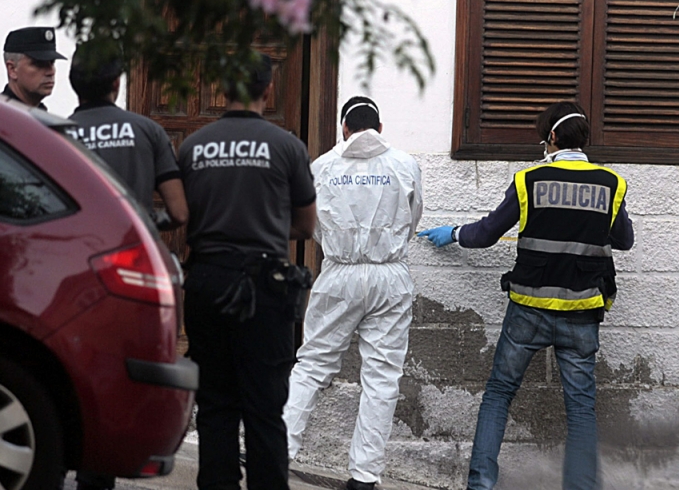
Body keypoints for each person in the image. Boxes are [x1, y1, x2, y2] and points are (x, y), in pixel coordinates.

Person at [418, 101, 634, 490]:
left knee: (499, 393)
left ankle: (480, 485)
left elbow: (485, 234)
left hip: (527, 311)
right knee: (581, 409)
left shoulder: (528, 181)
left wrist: (452, 233)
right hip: (581, 312)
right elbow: (625, 240)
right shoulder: (611, 184)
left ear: (551, 137)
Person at [179, 52, 317, 490]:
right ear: (268, 89)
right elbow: (305, 225)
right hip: (264, 287)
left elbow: (185, 217)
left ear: (221, 89)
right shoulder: (287, 147)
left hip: (206, 281)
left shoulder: (193, 146)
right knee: (264, 407)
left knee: (216, 404)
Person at [282, 96, 423, 490]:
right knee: (381, 378)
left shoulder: (322, 166)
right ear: (379, 128)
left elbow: (308, 225)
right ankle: (364, 475)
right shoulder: (405, 164)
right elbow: (413, 220)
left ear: (343, 128)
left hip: (339, 273)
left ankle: (277, 451)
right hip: (390, 276)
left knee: (312, 365)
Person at [65, 46, 188, 230]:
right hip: (134, 245)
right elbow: (179, 213)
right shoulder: (149, 131)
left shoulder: (57, 135)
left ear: (72, 83)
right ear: (116, 83)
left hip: (82, 248)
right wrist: (148, 223)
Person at [2, 26, 67, 109]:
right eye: (39, 64)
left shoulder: (45, 117)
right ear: (12, 69)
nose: (51, 72)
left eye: (52, 62)